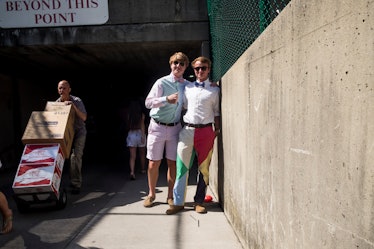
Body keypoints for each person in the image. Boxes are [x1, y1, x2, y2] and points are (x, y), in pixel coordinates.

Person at [166, 56, 221, 215]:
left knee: (203, 169)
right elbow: (181, 106)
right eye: (197, 68)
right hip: (187, 131)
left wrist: (216, 130)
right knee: (181, 167)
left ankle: (199, 201)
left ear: (209, 69)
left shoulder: (214, 89)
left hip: (206, 132)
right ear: (194, 70)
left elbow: (216, 112)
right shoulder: (187, 88)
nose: (200, 71)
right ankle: (177, 202)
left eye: (204, 68)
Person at [143, 52, 189, 207]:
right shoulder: (161, 82)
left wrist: (212, 85)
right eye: (175, 63)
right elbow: (148, 103)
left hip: (175, 128)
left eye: (181, 63)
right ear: (171, 65)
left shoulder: (187, 85)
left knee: (172, 163)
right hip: (157, 127)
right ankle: (151, 194)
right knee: (153, 163)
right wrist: (165, 100)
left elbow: (199, 92)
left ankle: (170, 196)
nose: (178, 66)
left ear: (185, 67)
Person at [56, 80, 87, 195]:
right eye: (59, 88)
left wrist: (73, 106)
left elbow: (84, 117)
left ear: (69, 89)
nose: (61, 90)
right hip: (64, 134)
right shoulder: (57, 103)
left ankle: (76, 184)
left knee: (75, 157)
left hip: (78, 133)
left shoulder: (77, 101)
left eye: (64, 88)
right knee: (58, 157)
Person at [126, 99, 147, 180]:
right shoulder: (141, 115)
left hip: (131, 134)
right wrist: (142, 136)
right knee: (142, 153)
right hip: (139, 133)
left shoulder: (129, 115)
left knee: (132, 156)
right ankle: (143, 169)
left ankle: (132, 171)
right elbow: (142, 125)